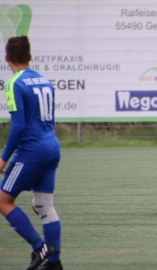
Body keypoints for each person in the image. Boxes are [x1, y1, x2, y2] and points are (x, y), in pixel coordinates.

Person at [0, 36, 63, 270]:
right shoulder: (43, 80)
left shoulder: (14, 83)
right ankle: (54, 263)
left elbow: (18, 126)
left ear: (7, 59)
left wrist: (4, 157)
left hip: (32, 150)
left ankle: (39, 247)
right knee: (44, 204)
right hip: (51, 145)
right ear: (30, 56)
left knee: (3, 201)